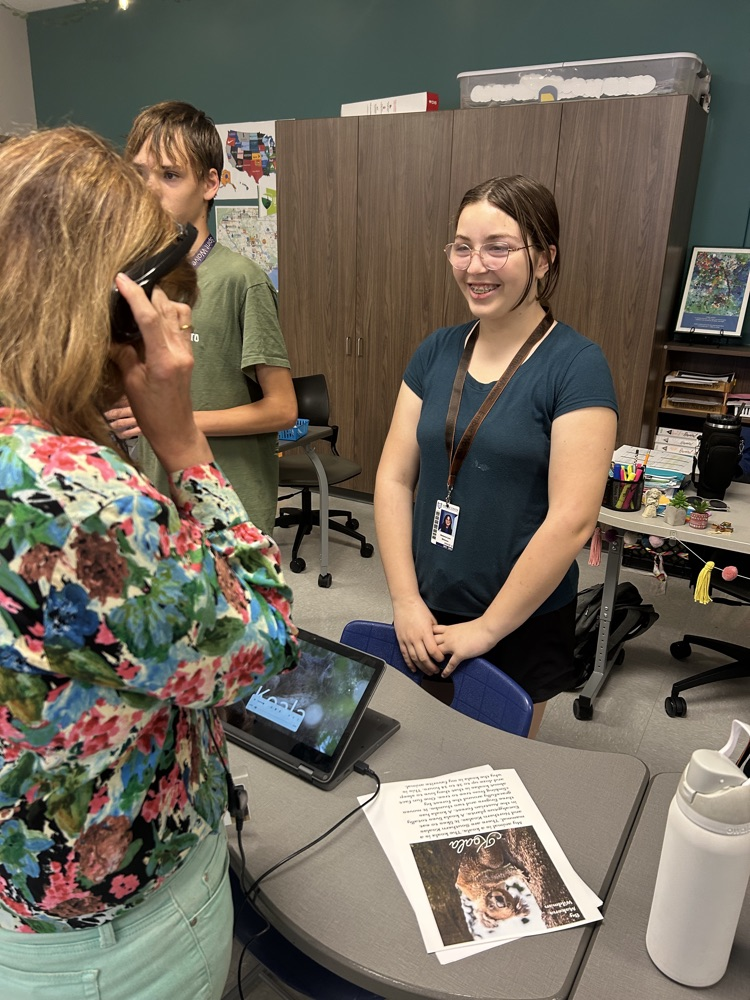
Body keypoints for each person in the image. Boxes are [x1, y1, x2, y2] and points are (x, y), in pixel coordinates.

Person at [0, 126, 298, 999]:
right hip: (111, 932)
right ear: (113, 309)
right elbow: (264, 644)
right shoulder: (74, 498)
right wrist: (184, 442)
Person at [374, 175, 618, 738]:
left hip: (520, 618)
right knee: (411, 758)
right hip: (427, 605)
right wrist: (405, 599)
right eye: (462, 246)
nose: (474, 265)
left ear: (543, 259)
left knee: (492, 777)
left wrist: (487, 629)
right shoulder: (436, 350)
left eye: (498, 247)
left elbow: (573, 518)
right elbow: (392, 478)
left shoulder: (576, 365)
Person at [107, 100, 296, 534]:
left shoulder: (239, 280)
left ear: (210, 183)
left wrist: (176, 421)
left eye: (170, 175)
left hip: (231, 504)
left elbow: (283, 409)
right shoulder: (133, 283)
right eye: (140, 174)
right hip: (157, 500)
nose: (150, 189)